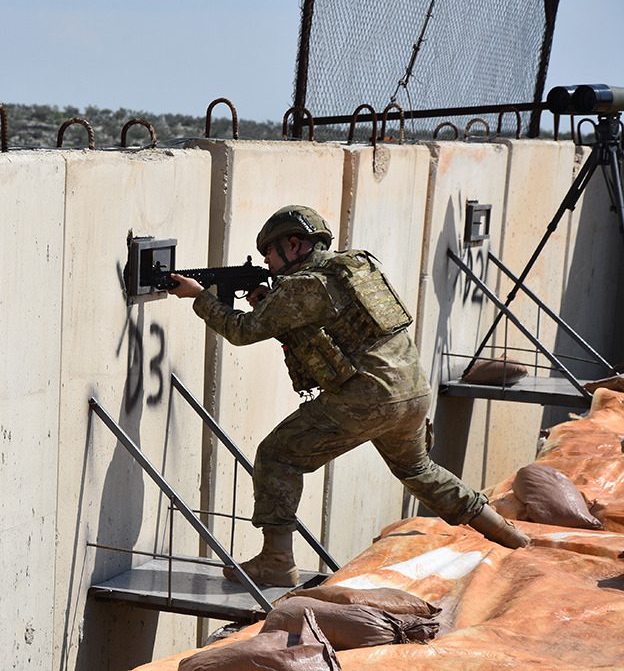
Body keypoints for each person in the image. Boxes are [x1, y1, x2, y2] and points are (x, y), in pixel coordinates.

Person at [167, 205, 530, 588]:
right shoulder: (350, 269)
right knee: (419, 471)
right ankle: (510, 536)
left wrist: (199, 298)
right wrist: (268, 303)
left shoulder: (302, 285)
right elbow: (326, 326)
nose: (268, 264)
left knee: (278, 455)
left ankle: (276, 561)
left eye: (270, 255)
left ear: (294, 244)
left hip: (367, 398)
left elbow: (241, 331)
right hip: (411, 392)